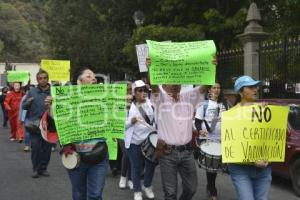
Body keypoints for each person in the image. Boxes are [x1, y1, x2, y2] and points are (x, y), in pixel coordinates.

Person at [147, 56, 217, 200]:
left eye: (176, 81)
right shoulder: (160, 98)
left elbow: (205, 86)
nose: (174, 84)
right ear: (164, 85)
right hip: (167, 153)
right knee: (170, 193)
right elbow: (154, 85)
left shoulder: (188, 96)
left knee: (191, 189)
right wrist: (150, 68)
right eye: (170, 82)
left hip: (187, 153)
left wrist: (212, 68)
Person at [57, 68, 108, 200]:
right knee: (79, 195)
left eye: (94, 76)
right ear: (79, 81)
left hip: (99, 155)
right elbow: (56, 125)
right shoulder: (67, 100)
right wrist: (52, 108)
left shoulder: (105, 98)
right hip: (76, 156)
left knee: (95, 195)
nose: (94, 78)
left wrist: (124, 103)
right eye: (89, 76)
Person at [227, 75, 271, 200]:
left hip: (264, 167)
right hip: (240, 169)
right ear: (241, 91)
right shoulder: (231, 115)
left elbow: (270, 138)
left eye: (255, 86)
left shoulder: (264, 110)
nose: (255, 89)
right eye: (250, 87)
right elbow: (232, 144)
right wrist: (252, 160)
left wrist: (268, 117)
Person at [194, 82, 229, 200]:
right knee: (211, 167)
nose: (217, 90)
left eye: (219, 87)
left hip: (221, 139)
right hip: (207, 139)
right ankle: (213, 191)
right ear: (209, 90)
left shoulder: (225, 104)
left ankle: (210, 186)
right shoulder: (203, 104)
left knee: (216, 167)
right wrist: (200, 131)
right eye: (214, 87)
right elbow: (198, 122)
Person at [125, 80, 157, 200]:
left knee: (151, 165)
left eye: (145, 90)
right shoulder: (128, 106)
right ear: (134, 92)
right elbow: (120, 125)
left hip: (149, 140)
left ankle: (147, 186)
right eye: (140, 90)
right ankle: (137, 191)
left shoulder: (151, 103)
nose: (143, 92)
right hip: (134, 142)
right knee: (136, 167)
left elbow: (156, 120)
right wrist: (130, 122)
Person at [23, 70, 52, 178]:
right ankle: (35, 169)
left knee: (47, 149)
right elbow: (23, 107)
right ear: (37, 79)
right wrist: (28, 102)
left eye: (45, 78)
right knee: (35, 148)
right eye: (40, 78)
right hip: (34, 125)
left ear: (47, 79)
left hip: (49, 125)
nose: (43, 80)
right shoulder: (32, 91)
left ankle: (43, 169)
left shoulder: (54, 92)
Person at [119, 82, 133, 190]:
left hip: (133, 133)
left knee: (132, 156)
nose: (129, 91)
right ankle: (123, 177)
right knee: (126, 154)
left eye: (130, 89)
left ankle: (131, 179)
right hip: (121, 133)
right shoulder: (117, 103)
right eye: (127, 89)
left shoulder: (136, 102)